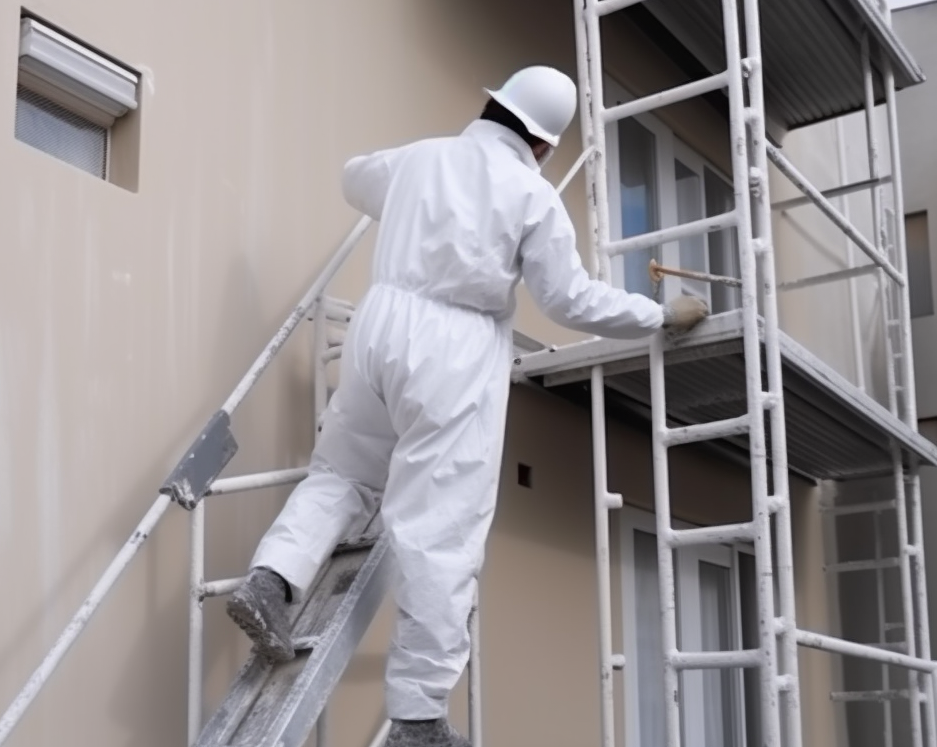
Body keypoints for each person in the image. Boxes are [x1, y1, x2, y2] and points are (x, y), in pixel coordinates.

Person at [226, 65, 709, 747]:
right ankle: (417, 718)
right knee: (440, 532)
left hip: (378, 325)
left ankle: (271, 582)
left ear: (493, 104)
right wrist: (658, 315)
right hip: (453, 350)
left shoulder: (422, 158)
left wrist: (417, 202)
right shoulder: (531, 196)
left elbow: (353, 177)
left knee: (341, 474)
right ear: (543, 145)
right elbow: (569, 299)